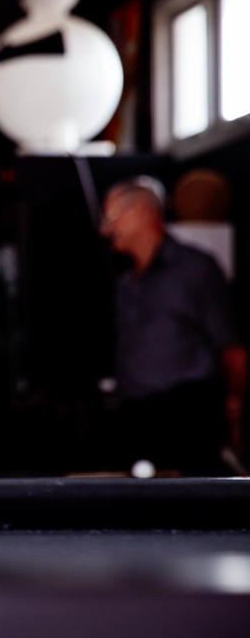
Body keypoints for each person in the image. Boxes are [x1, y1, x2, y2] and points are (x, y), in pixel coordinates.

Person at [98, 175, 246, 475]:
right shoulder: (127, 283)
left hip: (188, 417)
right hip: (137, 418)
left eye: (112, 217)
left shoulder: (196, 269)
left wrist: (236, 412)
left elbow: (232, 348)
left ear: (141, 211)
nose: (106, 229)